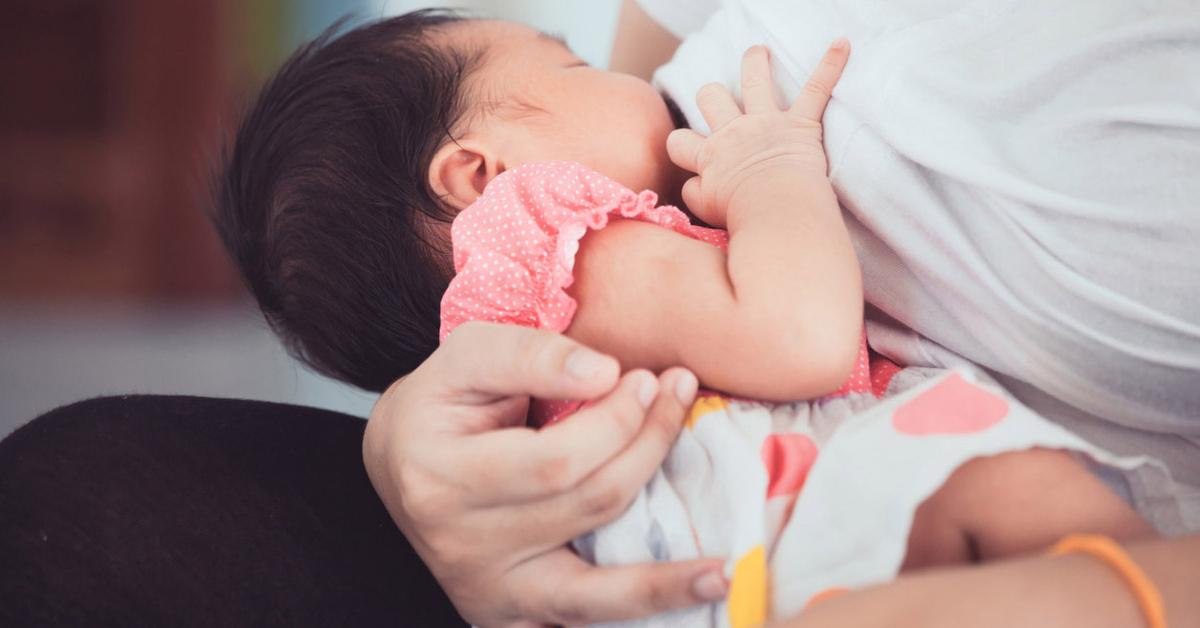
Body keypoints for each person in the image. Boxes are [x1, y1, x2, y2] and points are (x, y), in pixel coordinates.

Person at [363, 0, 1200, 625]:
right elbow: (796, 337)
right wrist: (773, 175)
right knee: (1016, 491)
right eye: (574, 68)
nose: (628, 78)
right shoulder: (542, 229)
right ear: (477, 175)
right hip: (803, 509)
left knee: (1023, 499)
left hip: (816, 517)